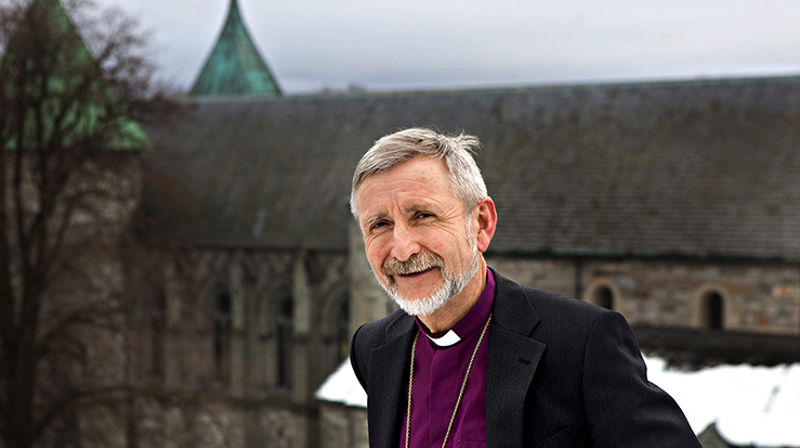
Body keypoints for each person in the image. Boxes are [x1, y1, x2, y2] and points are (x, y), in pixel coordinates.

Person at [349, 127, 701, 447]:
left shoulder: (582, 344)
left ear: (481, 224)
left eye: (423, 216)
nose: (403, 248)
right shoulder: (373, 348)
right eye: (379, 224)